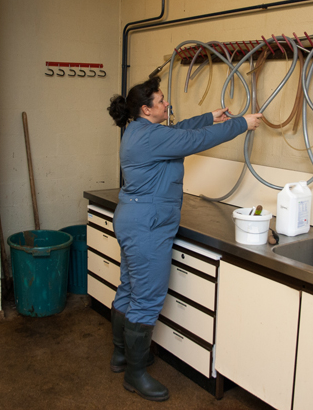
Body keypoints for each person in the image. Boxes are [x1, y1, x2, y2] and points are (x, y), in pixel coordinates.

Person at [107, 76, 261, 401]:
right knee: (146, 298)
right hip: (148, 225)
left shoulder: (141, 130)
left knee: (130, 288)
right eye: (161, 101)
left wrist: (210, 117)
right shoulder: (149, 138)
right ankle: (135, 375)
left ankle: (122, 356)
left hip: (135, 219)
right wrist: (240, 124)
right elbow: (195, 141)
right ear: (147, 110)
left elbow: (182, 131)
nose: (167, 104)